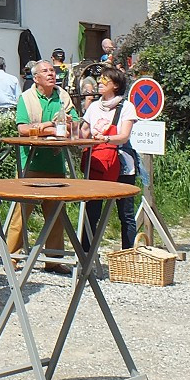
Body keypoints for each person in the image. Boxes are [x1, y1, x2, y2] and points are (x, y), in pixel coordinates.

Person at [4, 61, 79, 273]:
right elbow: (22, 128)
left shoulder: (63, 97)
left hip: (55, 163)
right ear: (36, 78)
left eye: (52, 71)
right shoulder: (26, 98)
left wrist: (54, 127)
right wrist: (46, 128)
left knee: (56, 213)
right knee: (21, 212)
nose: (51, 74)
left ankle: (54, 260)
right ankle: (11, 257)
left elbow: (74, 124)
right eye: (46, 71)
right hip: (31, 163)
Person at [80, 66, 139, 251]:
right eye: (99, 79)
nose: (99, 83)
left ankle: (127, 255)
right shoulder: (94, 106)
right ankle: (85, 254)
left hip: (121, 164)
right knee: (92, 210)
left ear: (115, 85)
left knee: (125, 213)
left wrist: (105, 138)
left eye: (104, 80)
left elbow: (124, 136)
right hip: (98, 162)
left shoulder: (127, 107)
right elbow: (84, 131)